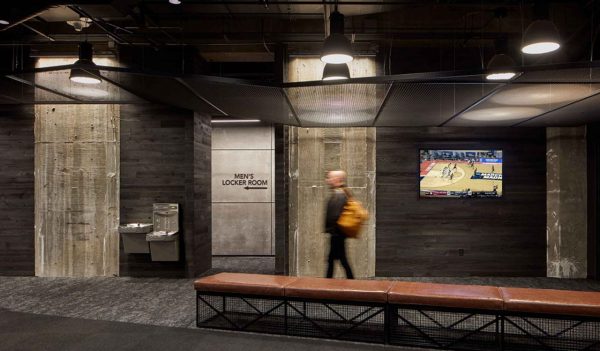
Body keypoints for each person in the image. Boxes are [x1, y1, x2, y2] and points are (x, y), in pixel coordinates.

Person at [324, 170, 354, 279]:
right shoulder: (341, 193)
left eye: (330, 178)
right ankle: (351, 281)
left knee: (338, 260)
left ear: (337, 180)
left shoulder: (340, 195)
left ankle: (327, 285)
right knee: (337, 260)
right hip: (337, 234)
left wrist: (331, 230)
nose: (327, 180)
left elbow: (335, 215)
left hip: (337, 235)